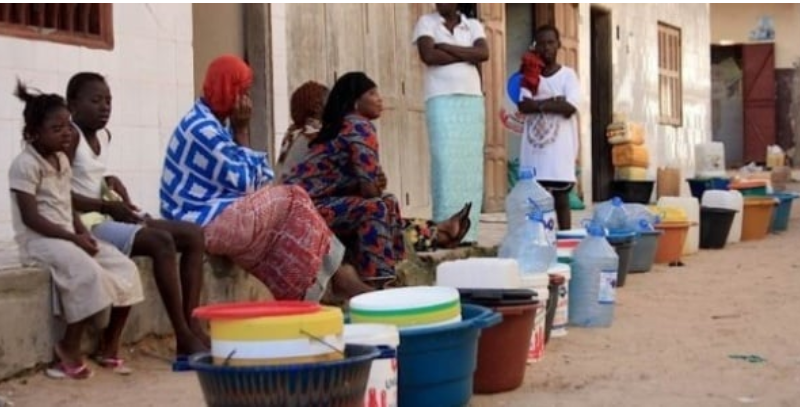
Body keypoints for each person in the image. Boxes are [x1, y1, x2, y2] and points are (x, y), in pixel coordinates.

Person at [160, 55, 372, 302]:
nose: (247, 102)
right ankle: (338, 280)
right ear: (228, 89)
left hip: (219, 213)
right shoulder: (202, 128)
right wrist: (242, 130)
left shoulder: (217, 123)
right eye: (243, 92)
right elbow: (252, 184)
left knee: (285, 223)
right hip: (200, 224)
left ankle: (326, 286)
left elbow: (258, 179)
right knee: (293, 197)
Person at [65, 72, 209, 360]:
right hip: (90, 224)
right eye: (95, 100)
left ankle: (192, 324)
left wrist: (110, 182)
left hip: (109, 214)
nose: (104, 107)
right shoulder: (70, 138)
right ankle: (181, 335)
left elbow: (89, 175)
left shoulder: (103, 136)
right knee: (161, 242)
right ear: (73, 105)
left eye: (108, 101)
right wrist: (104, 206)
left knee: (194, 235)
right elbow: (61, 192)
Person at [8, 81, 144, 379]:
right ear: (33, 134)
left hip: (67, 236)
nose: (67, 133)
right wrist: (73, 238)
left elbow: (65, 204)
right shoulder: (24, 165)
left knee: (125, 268)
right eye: (57, 129)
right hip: (40, 241)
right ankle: (67, 349)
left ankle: (109, 346)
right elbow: (31, 218)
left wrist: (83, 233)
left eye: (68, 126)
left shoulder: (60, 160)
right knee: (88, 272)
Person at [277, 81, 472, 253]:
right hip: (306, 210)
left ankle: (438, 232)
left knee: (384, 207)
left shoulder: (296, 133)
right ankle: (437, 235)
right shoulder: (316, 134)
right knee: (378, 210)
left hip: (305, 205)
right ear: (319, 107)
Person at [413, 3, 489, 244]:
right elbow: (428, 55)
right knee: (444, 162)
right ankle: (444, 230)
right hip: (440, 98)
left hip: (471, 99)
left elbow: (483, 54)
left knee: (470, 165)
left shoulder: (473, 25)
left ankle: (470, 231)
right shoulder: (426, 22)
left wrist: (445, 47)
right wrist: (466, 53)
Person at [516, 25, 580, 230]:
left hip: (559, 151)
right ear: (535, 47)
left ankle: (564, 242)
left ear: (559, 44)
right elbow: (523, 105)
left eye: (551, 42)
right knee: (536, 200)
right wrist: (553, 101)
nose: (546, 48)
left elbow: (569, 107)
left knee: (561, 198)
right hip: (535, 151)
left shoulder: (568, 76)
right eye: (541, 44)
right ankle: (538, 241)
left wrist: (539, 105)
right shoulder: (530, 76)